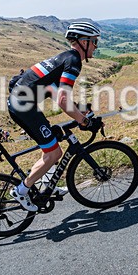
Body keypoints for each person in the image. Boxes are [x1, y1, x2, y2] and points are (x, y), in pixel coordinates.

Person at [7, 22, 103, 210]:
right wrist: (83, 121)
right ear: (83, 42)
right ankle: (21, 190)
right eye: (94, 42)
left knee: (52, 144)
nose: (95, 46)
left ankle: (45, 186)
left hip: (21, 104)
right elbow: (62, 100)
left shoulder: (64, 57)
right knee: (54, 153)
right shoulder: (73, 61)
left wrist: (79, 109)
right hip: (24, 108)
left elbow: (52, 90)